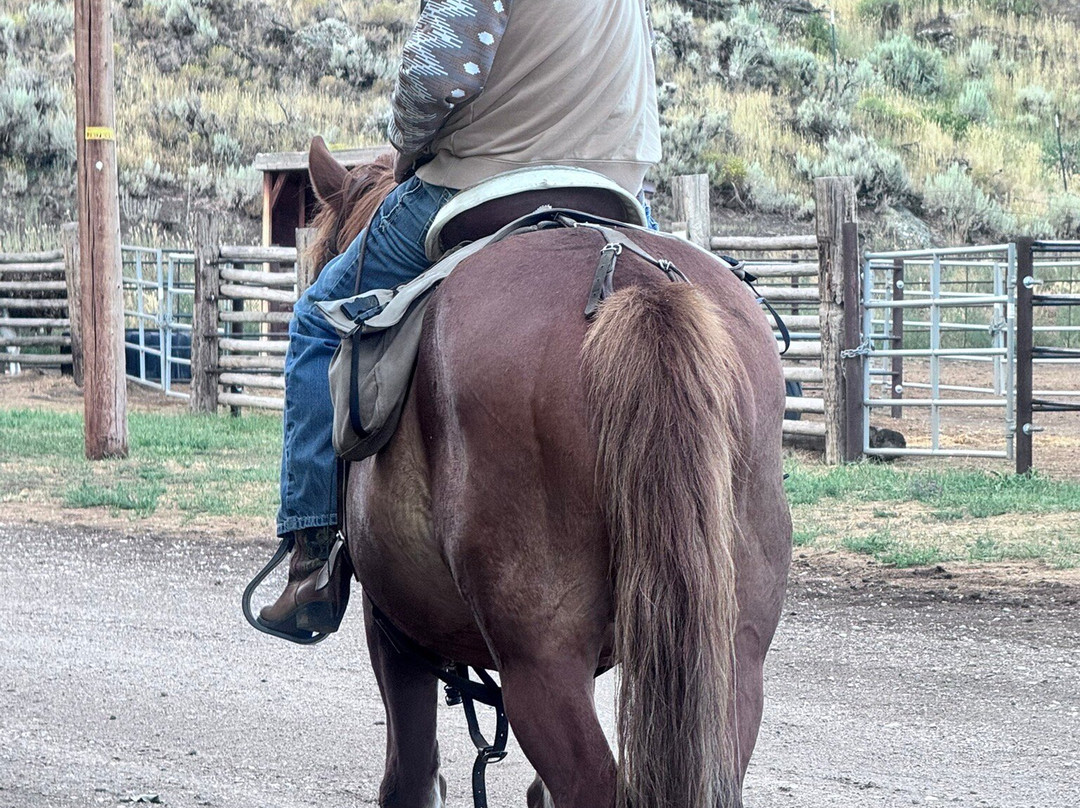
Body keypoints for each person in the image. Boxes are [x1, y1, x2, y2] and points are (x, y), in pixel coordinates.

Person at [257, 0, 661, 640]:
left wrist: (409, 152)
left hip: (482, 181)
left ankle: (313, 558)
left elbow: (439, 76)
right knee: (687, 305)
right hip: (615, 187)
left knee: (316, 319)